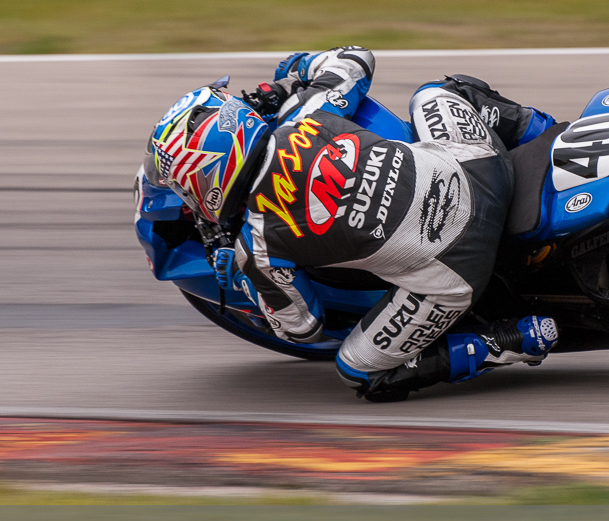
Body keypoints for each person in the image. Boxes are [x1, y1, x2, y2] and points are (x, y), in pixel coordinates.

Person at [149, 46, 560, 401]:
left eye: (184, 187)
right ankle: (550, 135)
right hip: (480, 166)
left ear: (205, 176)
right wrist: (302, 65)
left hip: (460, 264)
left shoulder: (256, 246)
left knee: (358, 370)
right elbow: (356, 58)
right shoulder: (304, 112)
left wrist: (241, 279)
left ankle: (511, 340)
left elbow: (304, 330)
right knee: (438, 91)